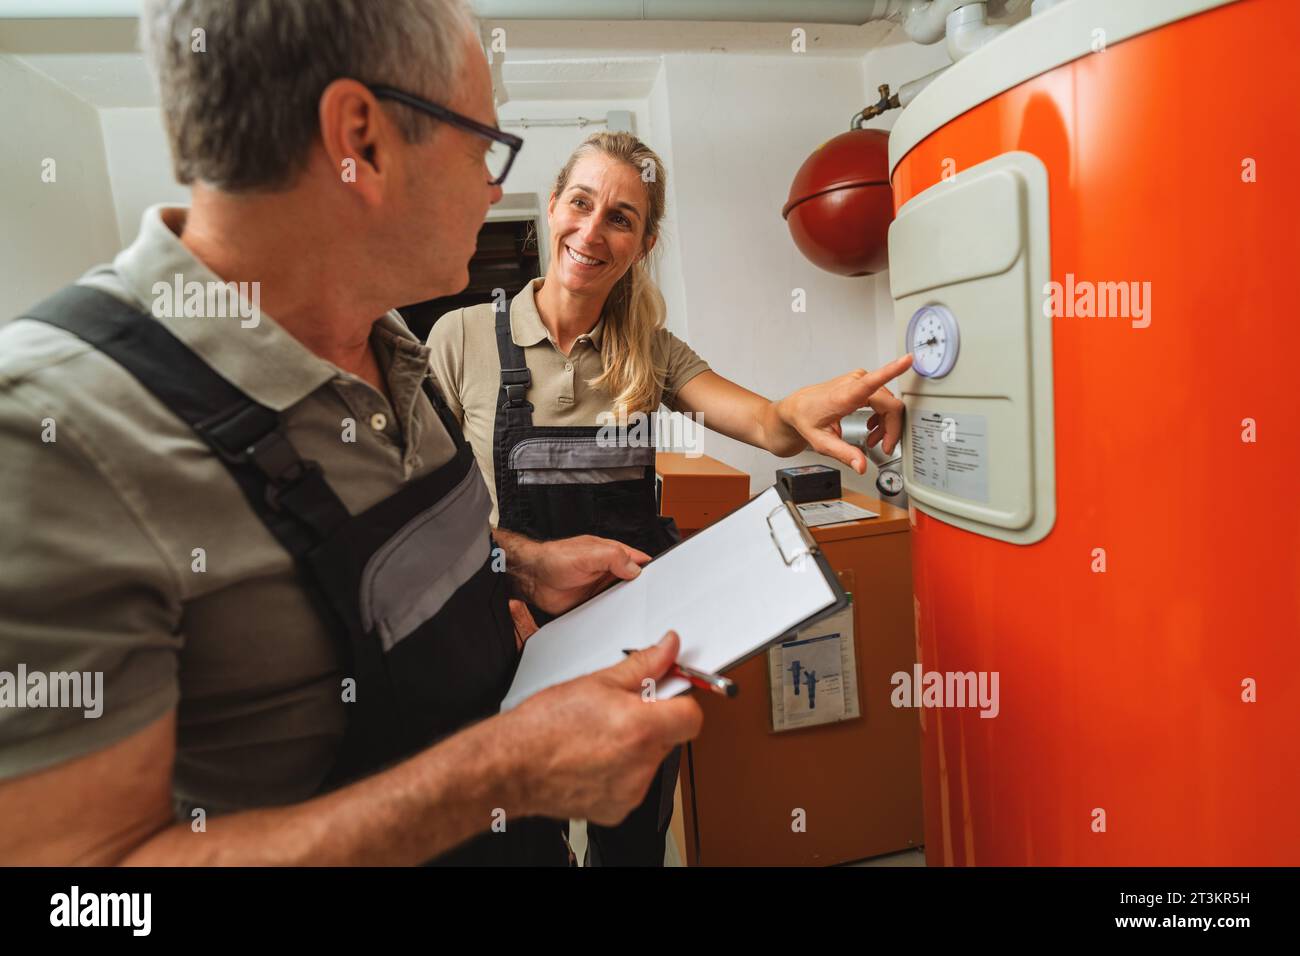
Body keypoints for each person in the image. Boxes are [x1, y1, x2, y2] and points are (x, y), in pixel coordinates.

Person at [0, 0, 702, 866]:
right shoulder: (50, 434)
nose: (493, 188)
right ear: (361, 142)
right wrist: (502, 776)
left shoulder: (394, 343)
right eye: (485, 147)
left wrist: (518, 564)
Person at [426, 132, 913, 864]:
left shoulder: (650, 350)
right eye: (581, 203)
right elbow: (432, 510)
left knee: (629, 842)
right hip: (512, 636)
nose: (592, 231)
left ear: (643, 242)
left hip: (636, 646)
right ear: (552, 207)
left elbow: (768, 424)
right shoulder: (460, 338)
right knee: (522, 839)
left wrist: (823, 405)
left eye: (620, 218)